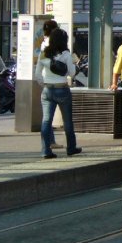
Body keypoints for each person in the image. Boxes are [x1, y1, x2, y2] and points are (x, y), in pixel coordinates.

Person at [35, 28, 81, 159]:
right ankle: (71, 148)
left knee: (46, 121)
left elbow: (37, 74)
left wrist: (44, 84)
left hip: (47, 90)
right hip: (62, 89)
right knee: (67, 121)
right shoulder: (66, 54)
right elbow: (72, 73)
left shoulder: (43, 54)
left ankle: (45, 150)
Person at [40, 19, 62, 150]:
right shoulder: (53, 44)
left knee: (47, 117)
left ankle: (49, 142)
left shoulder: (43, 43)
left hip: (46, 80)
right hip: (55, 82)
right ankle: (49, 142)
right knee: (50, 118)